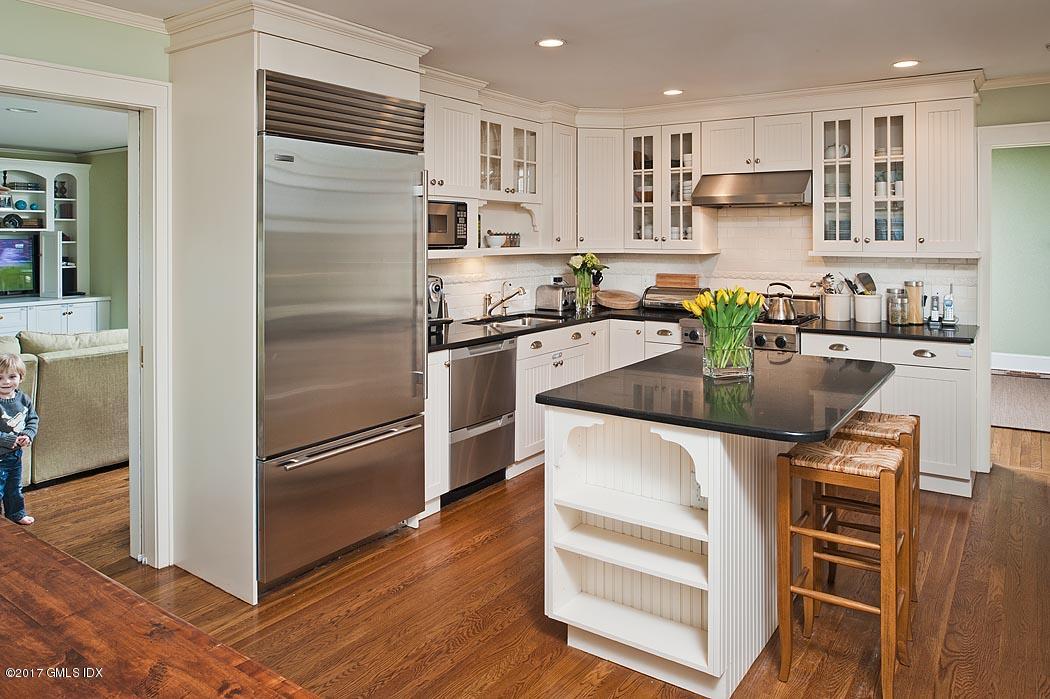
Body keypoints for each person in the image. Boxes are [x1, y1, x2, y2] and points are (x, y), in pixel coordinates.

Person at [0, 353, 38, 525]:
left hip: (15, 456)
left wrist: (28, 434)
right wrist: (8, 440)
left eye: (12, 377)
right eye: (0, 377)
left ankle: (16, 513)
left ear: (21, 378)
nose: (6, 382)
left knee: (14, 487)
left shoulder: (23, 399)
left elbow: (32, 419)